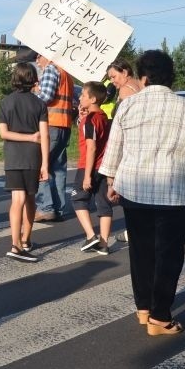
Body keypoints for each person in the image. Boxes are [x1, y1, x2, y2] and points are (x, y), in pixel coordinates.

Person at [99, 50, 185, 336]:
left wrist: (111, 182)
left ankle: (143, 309)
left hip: (134, 191)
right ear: (171, 77)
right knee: (169, 254)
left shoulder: (127, 106)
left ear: (144, 77)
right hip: (174, 193)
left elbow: (114, 148)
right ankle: (160, 317)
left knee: (141, 251)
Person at [0, 62, 49, 262]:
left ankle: (15, 242)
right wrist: (45, 163)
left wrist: (23, 137)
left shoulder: (5, 102)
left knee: (16, 199)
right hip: (32, 157)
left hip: (12, 156)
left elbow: (4, 133)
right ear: (33, 79)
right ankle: (25, 240)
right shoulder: (39, 104)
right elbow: (44, 136)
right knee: (30, 198)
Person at [71, 82, 114, 255]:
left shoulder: (91, 120)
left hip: (88, 166)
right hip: (104, 166)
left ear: (93, 98)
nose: (80, 97)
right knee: (104, 203)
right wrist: (82, 118)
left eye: (83, 94)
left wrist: (87, 175)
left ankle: (91, 236)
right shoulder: (103, 116)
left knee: (78, 199)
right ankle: (104, 243)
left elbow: (91, 147)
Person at [105, 58, 142, 244]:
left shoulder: (126, 91)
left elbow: (122, 123)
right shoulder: (140, 86)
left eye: (114, 76)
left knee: (129, 193)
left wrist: (111, 174)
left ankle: (134, 231)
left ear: (125, 72)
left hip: (128, 145)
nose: (112, 81)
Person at [33, 53, 73, 222]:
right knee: (58, 168)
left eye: (38, 56)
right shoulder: (66, 72)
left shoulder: (51, 69)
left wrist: (34, 93)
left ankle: (45, 207)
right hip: (64, 124)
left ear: (47, 56)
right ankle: (58, 208)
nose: (37, 61)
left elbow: (46, 97)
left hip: (51, 124)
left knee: (41, 165)